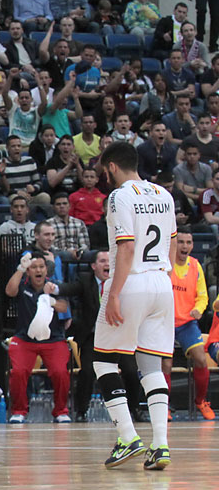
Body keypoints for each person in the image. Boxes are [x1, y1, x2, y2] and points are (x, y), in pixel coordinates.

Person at [92, 135, 175, 470]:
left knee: (102, 360)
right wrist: (162, 282)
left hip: (132, 281)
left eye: (104, 170)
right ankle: (161, 446)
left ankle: (127, 436)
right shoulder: (164, 194)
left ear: (112, 166)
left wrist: (113, 293)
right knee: (151, 366)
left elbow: (126, 248)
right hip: (162, 282)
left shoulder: (119, 196)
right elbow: (171, 242)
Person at [5, 249, 72, 420]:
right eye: (34, 267)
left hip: (54, 340)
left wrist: (53, 301)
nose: (38, 270)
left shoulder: (54, 285)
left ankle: (61, 411)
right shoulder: (23, 284)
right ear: (29, 270)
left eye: (41, 267)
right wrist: (20, 269)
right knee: (18, 372)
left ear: (46, 269)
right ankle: (19, 411)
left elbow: (64, 307)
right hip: (24, 340)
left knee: (60, 373)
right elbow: (9, 291)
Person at [171, 226, 217, 418]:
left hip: (187, 322)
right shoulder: (165, 264)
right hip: (165, 321)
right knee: (165, 364)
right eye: (181, 242)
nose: (185, 246)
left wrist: (199, 309)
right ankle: (164, 406)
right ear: (174, 243)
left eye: (188, 242)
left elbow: (203, 296)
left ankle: (200, 401)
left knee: (200, 358)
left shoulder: (196, 265)